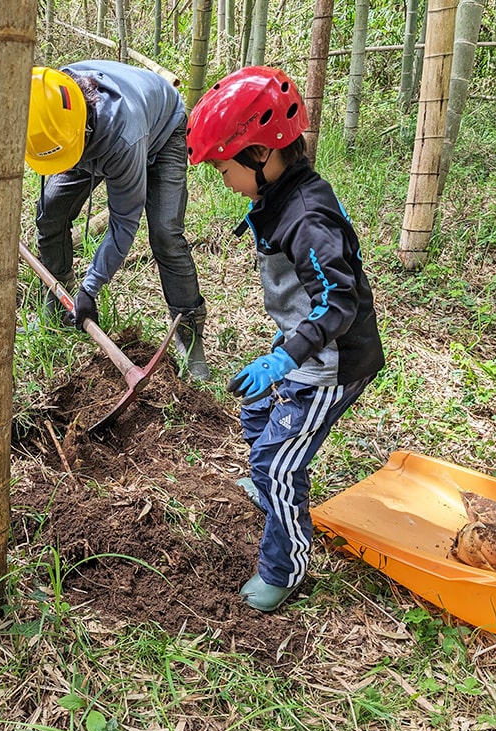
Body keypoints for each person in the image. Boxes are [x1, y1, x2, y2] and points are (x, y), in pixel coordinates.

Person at [186, 66, 385, 612]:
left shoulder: (307, 217)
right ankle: (267, 488)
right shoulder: (280, 196)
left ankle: (287, 565)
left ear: (259, 154)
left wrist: (285, 358)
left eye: (225, 167)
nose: (224, 180)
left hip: (332, 363)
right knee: (255, 412)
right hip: (302, 347)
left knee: (281, 463)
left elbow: (338, 302)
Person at [25, 61, 210, 381]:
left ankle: (190, 338)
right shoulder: (47, 98)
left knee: (166, 232)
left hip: (163, 128)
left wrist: (91, 288)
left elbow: (124, 224)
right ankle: (59, 299)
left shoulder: (123, 135)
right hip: (80, 136)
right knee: (50, 212)